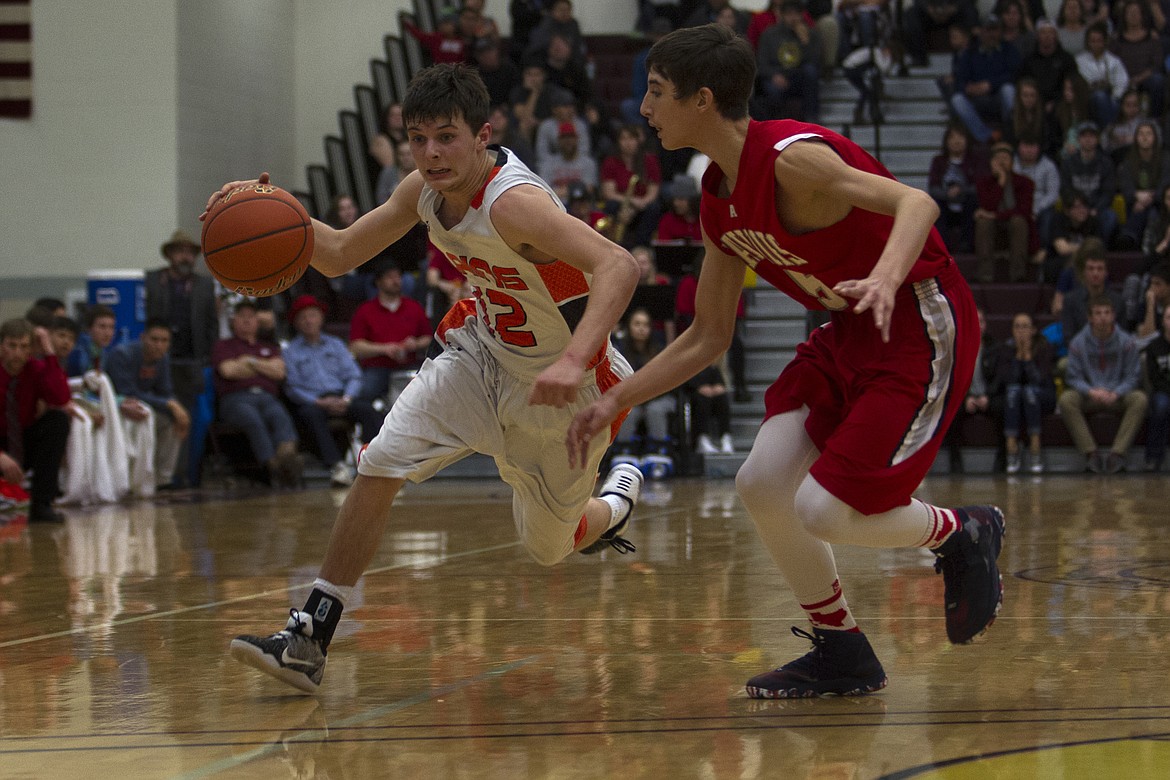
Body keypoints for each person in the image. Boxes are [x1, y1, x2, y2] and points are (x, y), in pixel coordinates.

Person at [568, 23, 1005, 699]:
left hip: (917, 320)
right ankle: (841, 649)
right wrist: (615, 399)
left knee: (824, 509)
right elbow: (709, 334)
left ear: (704, 99)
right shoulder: (718, 195)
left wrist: (887, 276)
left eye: (657, 93)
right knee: (763, 481)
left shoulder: (793, 161)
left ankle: (962, 530)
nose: (645, 109)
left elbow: (916, 203)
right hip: (848, 331)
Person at [216, 63, 643, 693]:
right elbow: (336, 255)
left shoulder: (514, 203)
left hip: (567, 388)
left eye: (446, 136)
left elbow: (619, 265)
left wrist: (574, 357)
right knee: (380, 459)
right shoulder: (423, 189)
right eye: (418, 138)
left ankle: (616, 501)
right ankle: (308, 637)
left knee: (552, 546)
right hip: (481, 354)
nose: (431, 153)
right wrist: (257, 213)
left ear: (482, 135)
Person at [283, 295, 384, 487]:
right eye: (303, 317)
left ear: (321, 318)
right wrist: (317, 402)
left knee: (369, 411)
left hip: (342, 395)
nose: (308, 321)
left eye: (312, 315)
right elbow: (292, 387)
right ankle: (337, 467)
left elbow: (354, 375)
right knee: (310, 415)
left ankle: (376, 463)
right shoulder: (290, 351)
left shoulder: (335, 344)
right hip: (314, 401)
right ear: (296, 322)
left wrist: (347, 398)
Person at [211, 300, 303, 488]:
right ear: (232, 321)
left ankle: (287, 457)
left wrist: (249, 362)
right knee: (251, 418)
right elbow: (228, 371)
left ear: (257, 322)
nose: (246, 321)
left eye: (251, 317)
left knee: (279, 414)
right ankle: (272, 466)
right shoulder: (224, 346)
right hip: (235, 399)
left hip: (267, 397)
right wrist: (263, 367)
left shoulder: (269, 346)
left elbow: (279, 372)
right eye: (241, 317)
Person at [1059, 295, 1148, 472]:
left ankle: (1117, 454)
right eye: (1098, 313)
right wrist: (1091, 391)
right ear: (1090, 317)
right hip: (1090, 395)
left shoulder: (1127, 342)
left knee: (1140, 399)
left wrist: (1117, 392)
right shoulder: (1078, 342)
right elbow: (1073, 377)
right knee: (1066, 399)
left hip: (1117, 396)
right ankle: (1091, 453)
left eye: (1107, 312)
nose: (1102, 317)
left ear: (1113, 316)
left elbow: (1133, 376)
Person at [105, 317, 191, 492]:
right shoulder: (122, 354)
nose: (159, 345)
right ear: (143, 337)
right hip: (117, 408)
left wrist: (176, 408)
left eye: (164, 341)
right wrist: (170, 404)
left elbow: (165, 391)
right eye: (154, 339)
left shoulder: (163, 359)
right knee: (149, 415)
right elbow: (128, 392)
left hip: (142, 406)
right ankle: (130, 482)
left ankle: (162, 481)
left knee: (172, 421)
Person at [0, 318, 70, 523]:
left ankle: (41, 504)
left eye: (24, 347)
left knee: (58, 420)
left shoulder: (36, 369)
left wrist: (48, 351)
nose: (18, 353)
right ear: (1, 346)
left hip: (22, 442)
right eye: (12, 346)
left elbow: (61, 398)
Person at [348, 264, 433, 403]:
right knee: (363, 395)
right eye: (390, 277)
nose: (396, 281)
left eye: (398, 276)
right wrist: (385, 349)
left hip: (409, 365)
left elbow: (428, 338)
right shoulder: (365, 310)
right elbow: (355, 347)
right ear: (378, 281)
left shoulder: (414, 307)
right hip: (377, 367)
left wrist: (415, 344)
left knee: (428, 393)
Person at [609, 309, 678, 478]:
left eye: (645, 325)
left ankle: (659, 450)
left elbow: (667, 382)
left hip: (658, 398)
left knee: (656, 409)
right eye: (637, 324)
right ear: (629, 327)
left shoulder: (660, 349)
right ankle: (624, 450)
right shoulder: (620, 351)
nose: (641, 329)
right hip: (632, 400)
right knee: (627, 410)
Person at [992, 312, 1056, 473]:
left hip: (1043, 396)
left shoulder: (1044, 347)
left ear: (1033, 330)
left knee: (1028, 391)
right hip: (1014, 398)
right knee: (1014, 391)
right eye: (1017, 326)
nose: (1021, 331)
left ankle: (1035, 446)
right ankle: (1012, 447)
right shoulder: (1005, 349)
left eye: (1025, 326)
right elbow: (1007, 380)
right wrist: (1018, 357)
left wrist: (1027, 358)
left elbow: (1039, 380)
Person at [974, 141, 1036, 282]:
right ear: (991, 163)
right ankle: (985, 274)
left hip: (1016, 227)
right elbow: (987, 206)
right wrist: (1001, 182)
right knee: (983, 222)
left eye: (1005, 158)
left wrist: (996, 215)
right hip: (994, 229)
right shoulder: (983, 183)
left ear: (1012, 162)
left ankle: (1018, 273)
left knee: (1018, 221)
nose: (1001, 162)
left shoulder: (1025, 183)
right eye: (998, 159)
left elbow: (1024, 211)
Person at [1142, 305, 1170, 470]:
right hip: (1163, 391)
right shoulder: (1154, 347)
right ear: (1163, 321)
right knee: (1161, 406)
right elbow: (1154, 379)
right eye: (1168, 317)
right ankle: (1153, 457)